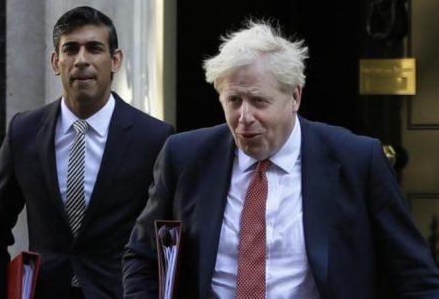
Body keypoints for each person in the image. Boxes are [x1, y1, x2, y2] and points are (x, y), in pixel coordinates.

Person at [122, 20, 439, 298]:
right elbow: (142, 256)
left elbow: (413, 274)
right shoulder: (184, 156)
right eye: (233, 100)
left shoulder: (357, 160)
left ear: (295, 97)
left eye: (259, 101)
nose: (244, 117)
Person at [0, 6, 173, 299]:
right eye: (70, 49)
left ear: (115, 60)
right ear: (55, 61)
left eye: (94, 48)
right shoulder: (23, 132)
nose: (82, 60)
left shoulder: (155, 138)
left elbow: (165, 241)